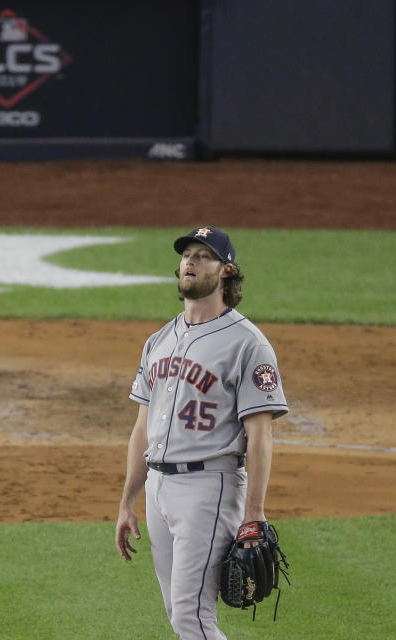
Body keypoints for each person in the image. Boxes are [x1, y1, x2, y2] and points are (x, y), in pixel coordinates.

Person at [114, 226, 289, 639]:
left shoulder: (248, 344)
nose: (190, 262)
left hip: (209, 488)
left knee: (193, 619)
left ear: (227, 271)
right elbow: (143, 426)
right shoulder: (159, 339)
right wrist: (128, 501)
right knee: (180, 614)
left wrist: (255, 513)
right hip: (158, 486)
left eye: (203, 256)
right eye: (187, 254)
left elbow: (260, 435)